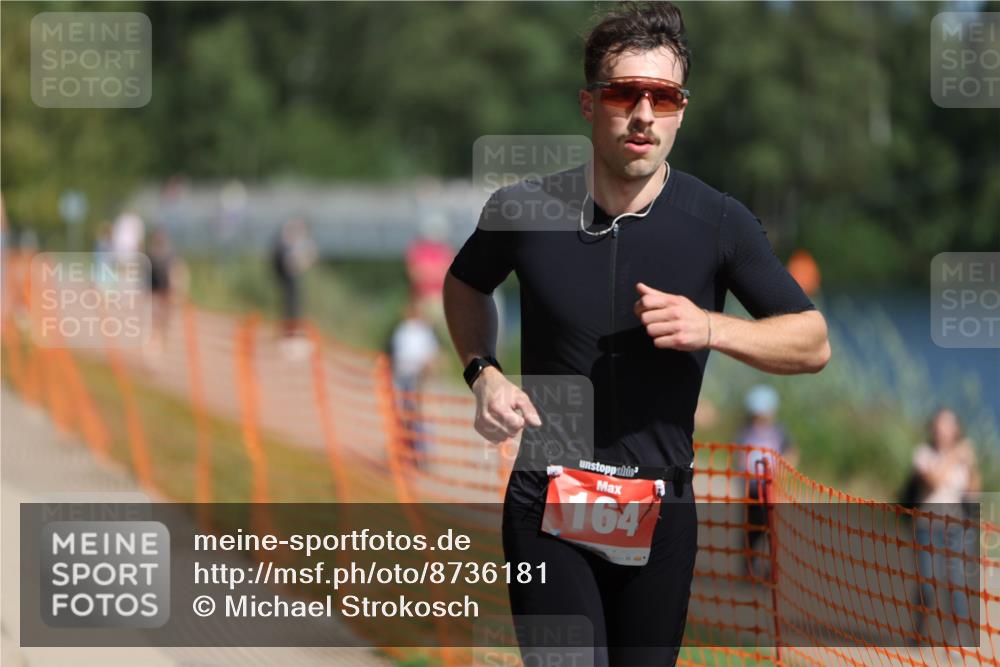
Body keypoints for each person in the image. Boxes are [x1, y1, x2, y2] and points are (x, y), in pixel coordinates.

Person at [442, 4, 831, 665]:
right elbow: (464, 283)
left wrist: (710, 326)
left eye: (664, 96)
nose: (645, 113)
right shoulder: (525, 209)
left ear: (682, 108)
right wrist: (483, 370)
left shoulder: (718, 222)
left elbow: (813, 339)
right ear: (590, 104)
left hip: (661, 511)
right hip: (548, 499)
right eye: (625, 93)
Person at [909, 408, 980, 646]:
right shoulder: (923, 454)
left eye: (948, 425)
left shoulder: (963, 461)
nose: (943, 430)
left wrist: (971, 467)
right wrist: (955, 455)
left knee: (956, 583)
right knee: (927, 582)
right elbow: (934, 479)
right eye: (940, 425)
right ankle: (919, 631)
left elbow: (972, 494)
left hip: (955, 528)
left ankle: (957, 638)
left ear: (956, 430)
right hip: (927, 526)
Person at [734, 385, 797, 579]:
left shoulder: (779, 432)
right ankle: (749, 567)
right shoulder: (746, 432)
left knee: (771, 530)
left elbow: (791, 453)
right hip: (751, 489)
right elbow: (739, 456)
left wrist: (783, 472)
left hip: (770, 489)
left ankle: (772, 569)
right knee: (750, 529)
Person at [387, 300, 441, 467]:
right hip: (402, 377)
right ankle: (403, 452)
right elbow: (394, 353)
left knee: (419, 418)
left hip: (418, 380)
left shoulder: (424, 332)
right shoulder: (403, 329)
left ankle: (422, 454)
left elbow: (431, 358)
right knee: (402, 416)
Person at [271, 217, 316, 340]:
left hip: (289, 269)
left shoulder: (298, 237)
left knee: (292, 299)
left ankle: (290, 327)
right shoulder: (294, 235)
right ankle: (289, 328)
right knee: (291, 299)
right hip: (287, 269)